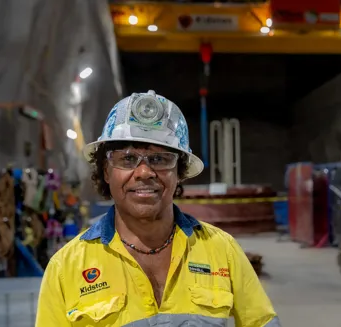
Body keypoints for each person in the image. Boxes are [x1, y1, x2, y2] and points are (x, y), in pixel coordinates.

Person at [35, 90, 280, 327]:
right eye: (128, 159)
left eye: (160, 159)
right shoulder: (66, 268)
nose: (144, 173)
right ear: (107, 171)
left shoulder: (222, 250)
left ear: (179, 173)